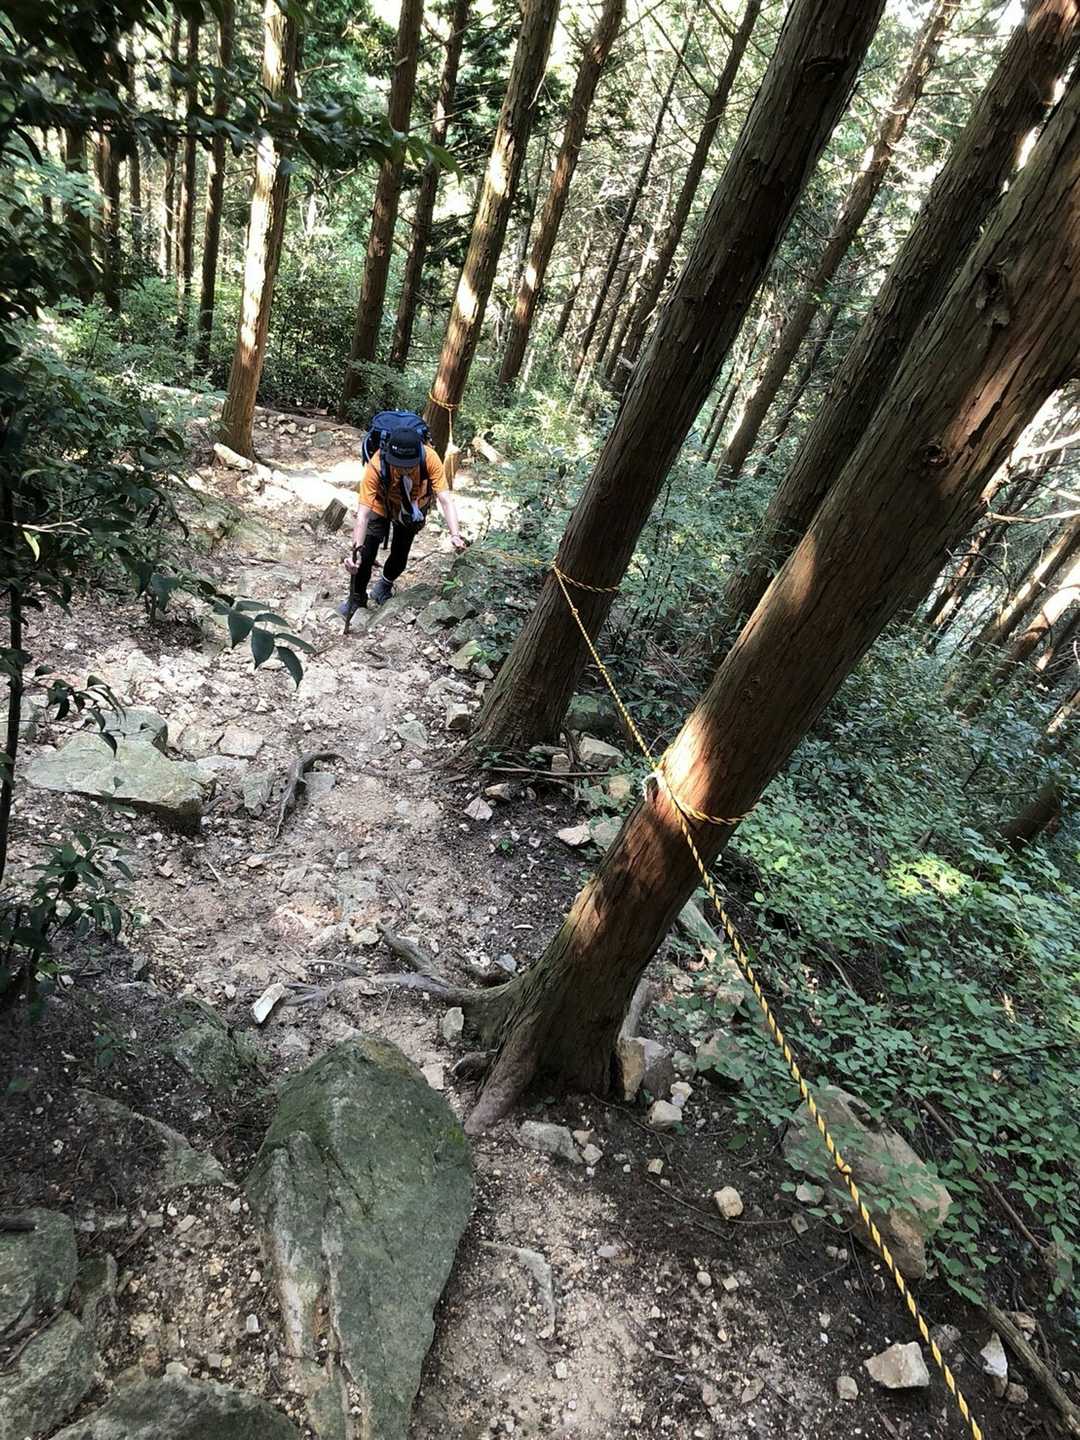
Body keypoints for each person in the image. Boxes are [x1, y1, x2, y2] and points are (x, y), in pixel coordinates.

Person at [342, 426, 466, 616]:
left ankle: (384, 586)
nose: (404, 469)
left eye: (409, 465)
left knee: (401, 553)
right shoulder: (377, 464)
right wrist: (356, 551)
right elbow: (363, 515)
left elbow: (445, 499)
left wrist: (455, 535)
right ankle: (357, 597)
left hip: (414, 506)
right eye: (399, 465)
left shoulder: (430, 458)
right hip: (381, 502)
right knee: (366, 551)